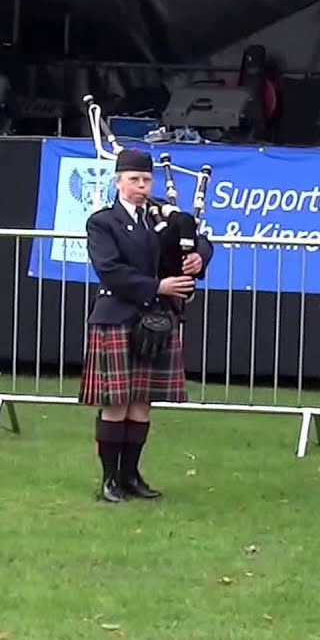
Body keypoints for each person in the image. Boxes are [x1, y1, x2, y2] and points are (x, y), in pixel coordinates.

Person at [78, 148, 213, 503]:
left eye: (146, 179)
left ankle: (131, 475)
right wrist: (158, 286)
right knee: (116, 403)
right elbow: (110, 269)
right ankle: (109, 480)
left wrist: (200, 255)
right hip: (117, 316)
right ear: (118, 182)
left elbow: (195, 236)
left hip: (156, 318)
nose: (141, 186)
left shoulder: (160, 219)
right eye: (134, 179)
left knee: (141, 403)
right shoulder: (102, 222)